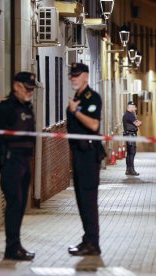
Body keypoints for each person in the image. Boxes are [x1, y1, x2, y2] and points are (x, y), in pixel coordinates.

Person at [0, 71, 38, 261]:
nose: (30, 92)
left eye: (32, 89)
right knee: (14, 204)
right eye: (27, 88)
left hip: (25, 162)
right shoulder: (5, 108)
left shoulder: (28, 107)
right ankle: (11, 248)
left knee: (20, 204)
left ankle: (16, 246)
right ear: (16, 86)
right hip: (11, 162)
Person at [66, 63, 105, 256]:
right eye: (71, 75)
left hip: (89, 155)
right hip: (79, 155)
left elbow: (94, 124)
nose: (73, 78)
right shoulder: (77, 97)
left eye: (77, 75)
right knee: (81, 200)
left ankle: (93, 243)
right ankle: (87, 240)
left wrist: (75, 112)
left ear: (86, 76)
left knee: (88, 200)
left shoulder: (92, 98)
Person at [123, 101, 142, 176]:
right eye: (134, 107)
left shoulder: (127, 114)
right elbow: (137, 123)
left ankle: (128, 170)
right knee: (132, 153)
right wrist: (140, 122)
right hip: (130, 135)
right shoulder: (130, 115)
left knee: (129, 153)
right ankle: (131, 170)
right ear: (130, 107)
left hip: (129, 135)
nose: (135, 108)